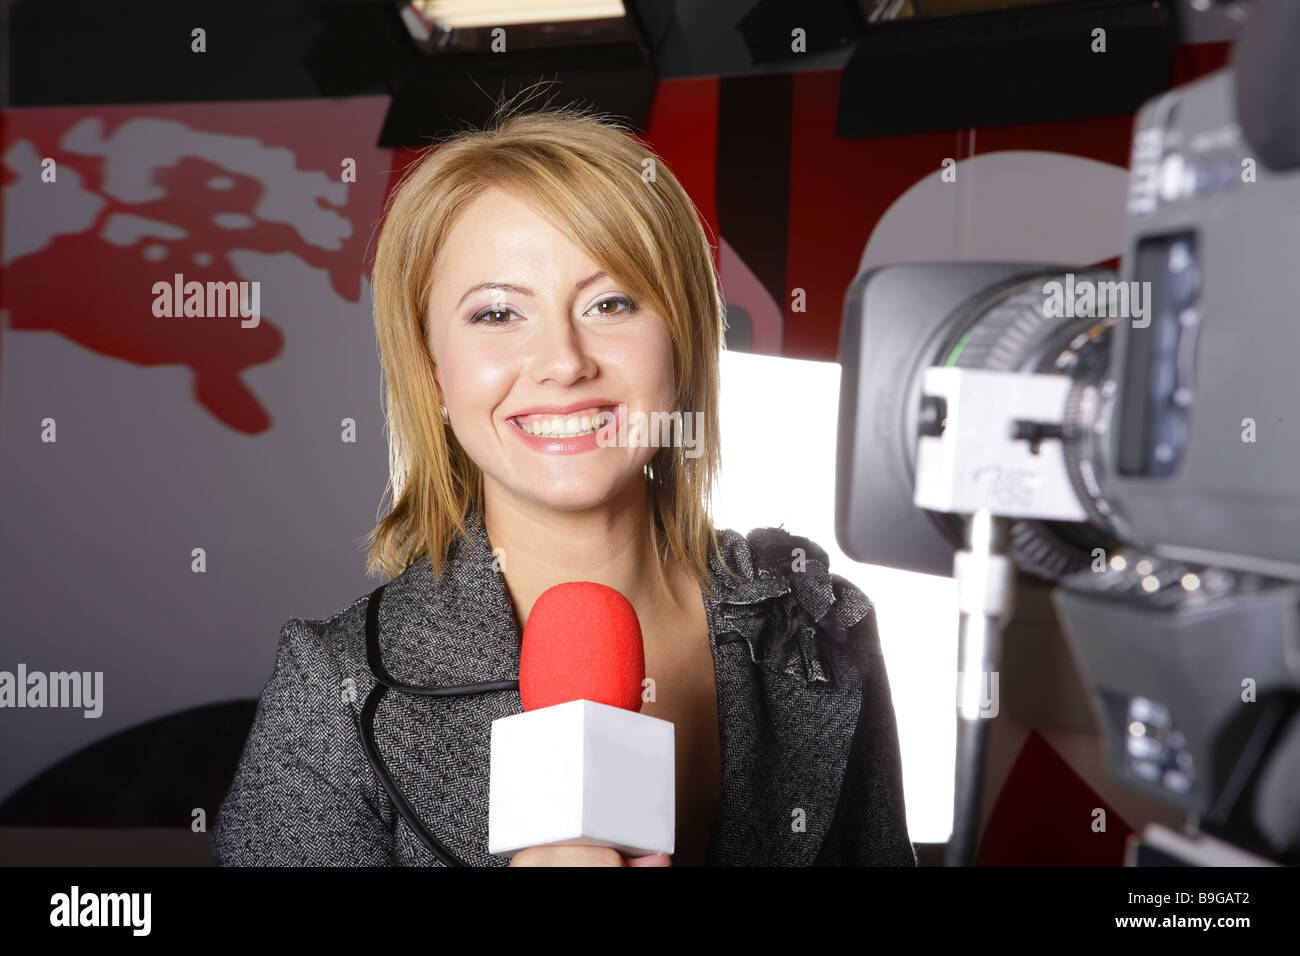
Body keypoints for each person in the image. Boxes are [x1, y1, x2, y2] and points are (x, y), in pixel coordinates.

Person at [211, 94, 915, 867]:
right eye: (496, 315)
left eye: (611, 302)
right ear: (432, 370)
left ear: (683, 339)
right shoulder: (333, 692)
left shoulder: (818, 623)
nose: (564, 362)